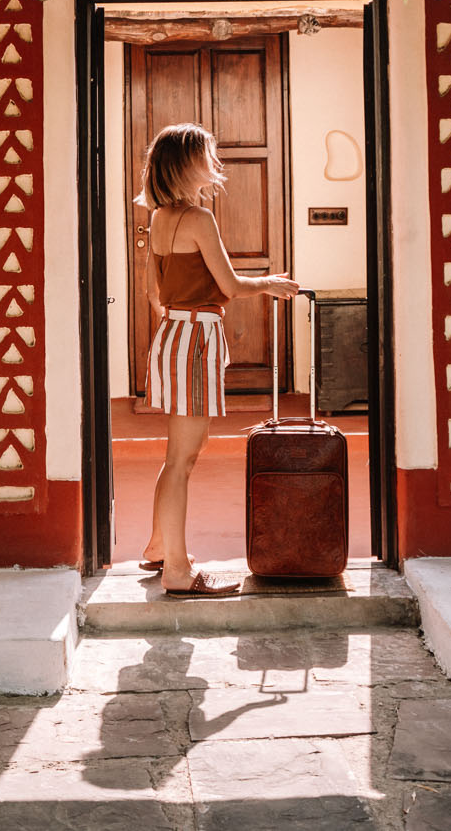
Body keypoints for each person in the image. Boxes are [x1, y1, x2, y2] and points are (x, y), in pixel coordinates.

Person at [135, 122, 298, 597]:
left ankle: (158, 548)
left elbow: (152, 292)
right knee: (183, 459)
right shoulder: (198, 218)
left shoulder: (159, 217)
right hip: (195, 338)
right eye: (206, 156)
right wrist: (270, 282)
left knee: (177, 457)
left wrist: (182, 319)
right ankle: (178, 571)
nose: (214, 164)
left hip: (173, 335)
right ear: (186, 165)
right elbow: (229, 286)